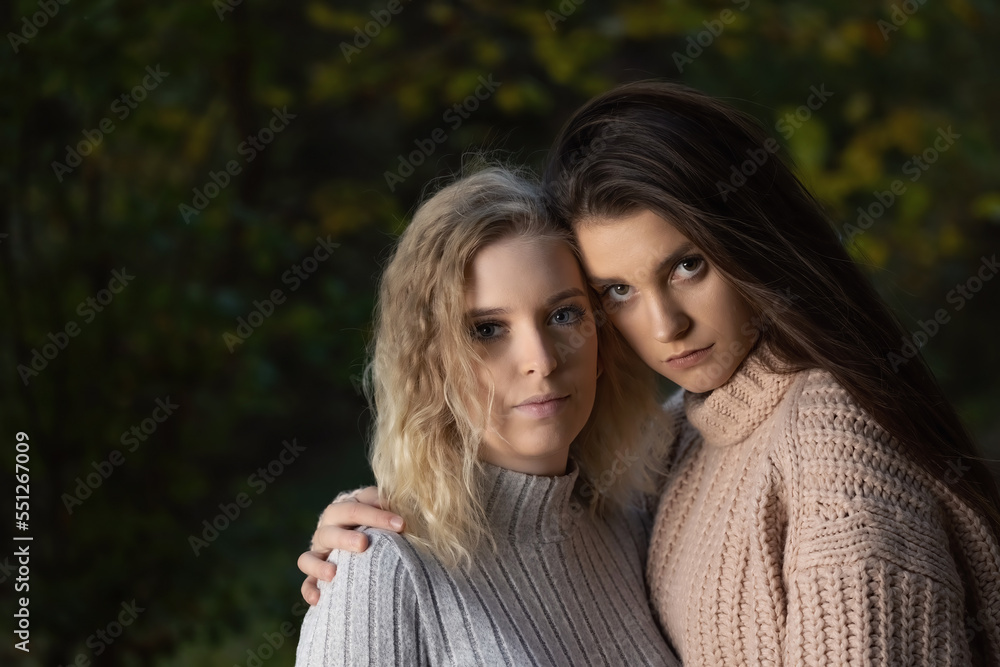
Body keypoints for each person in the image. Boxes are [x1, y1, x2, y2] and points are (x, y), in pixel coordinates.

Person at [301, 82, 1000, 665]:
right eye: (619, 291)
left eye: (686, 265)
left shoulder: (809, 444)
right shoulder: (657, 467)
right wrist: (371, 559)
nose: (666, 326)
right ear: (427, 357)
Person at [294, 166, 680, 666]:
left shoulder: (629, 523)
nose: (541, 359)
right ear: (430, 364)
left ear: (601, 340)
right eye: (487, 330)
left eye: (563, 315)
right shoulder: (381, 566)